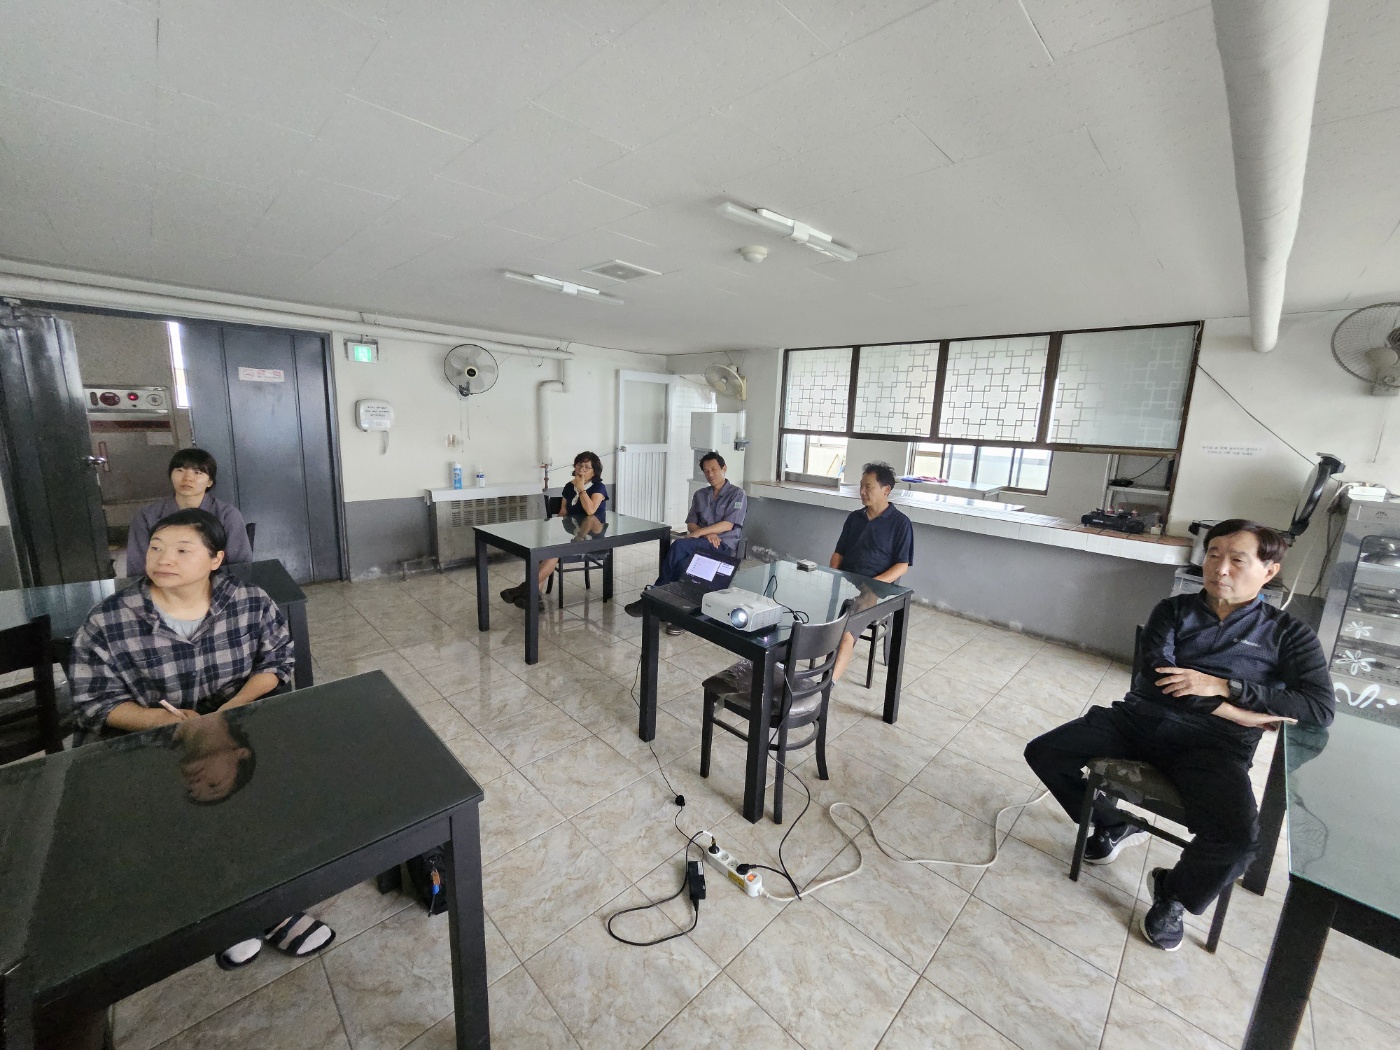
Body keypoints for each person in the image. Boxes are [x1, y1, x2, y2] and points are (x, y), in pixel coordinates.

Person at [1023, 520, 1334, 951]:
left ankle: (1174, 894)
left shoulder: (1288, 635)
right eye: (1213, 554)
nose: (1220, 569)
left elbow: (1318, 708)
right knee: (1045, 752)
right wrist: (1235, 712)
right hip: (1139, 720)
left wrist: (1225, 686)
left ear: (1269, 570)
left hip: (1214, 745)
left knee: (1240, 841)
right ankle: (1112, 823)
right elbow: (1156, 679)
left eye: (1237, 560)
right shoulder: (1173, 610)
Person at [69, 507, 335, 969]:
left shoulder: (249, 601)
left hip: (237, 730)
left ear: (215, 559)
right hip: (156, 745)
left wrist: (229, 712)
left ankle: (272, 905)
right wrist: (163, 722)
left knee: (269, 803)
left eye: (181, 549)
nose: (163, 558)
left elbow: (277, 662)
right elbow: (93, 702)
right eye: (156, 548)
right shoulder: (108, 620)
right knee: (185, 819)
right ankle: (225, 912)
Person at [624, 451, 747, 632]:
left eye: (714, 469)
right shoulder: (700, 494)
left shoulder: (737, 494)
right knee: (682, 565)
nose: (710, 474)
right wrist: (705, 534)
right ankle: (676, 613)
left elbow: (728, 524)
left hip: (722, 546)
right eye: (706, 471)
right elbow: (691, 524)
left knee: (679, 545)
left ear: (724, 468)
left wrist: (702, 532)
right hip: (702, 542)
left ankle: (655, 595)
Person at [828, 462, 913, 681]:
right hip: (846, 580)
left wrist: (875, 583)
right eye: (861, 486)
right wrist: (833, 576)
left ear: (886, 490)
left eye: (868, 487)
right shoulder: (854, 518)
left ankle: (827, 686)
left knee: (845, 631)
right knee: (808, 612)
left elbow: (902, 565)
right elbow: (838, 554)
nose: (862, 492)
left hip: (875, 589)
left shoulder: (900, 523)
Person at [500, 451, 607, 611]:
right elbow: (563, 512)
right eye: (579, 465)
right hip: (571, 536)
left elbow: (590, 510)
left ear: (594, 472)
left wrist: (581, 488)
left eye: (587, 467)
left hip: (592, 540)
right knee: (545, 549)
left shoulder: (599, 487)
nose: (582, 469)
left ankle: (524, 590)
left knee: (553, 552)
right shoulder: (569, 487)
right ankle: (534, 597)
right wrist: (554, 531)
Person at [126, 447, 253, 578]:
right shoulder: (147, 516)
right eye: (180, 470)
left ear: (210, 481)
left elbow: (241, 567)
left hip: (215, 586)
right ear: (171, 475)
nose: (187, 478)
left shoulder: (227, 515)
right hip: (163, 585)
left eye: (197, 472)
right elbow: (137, 570)